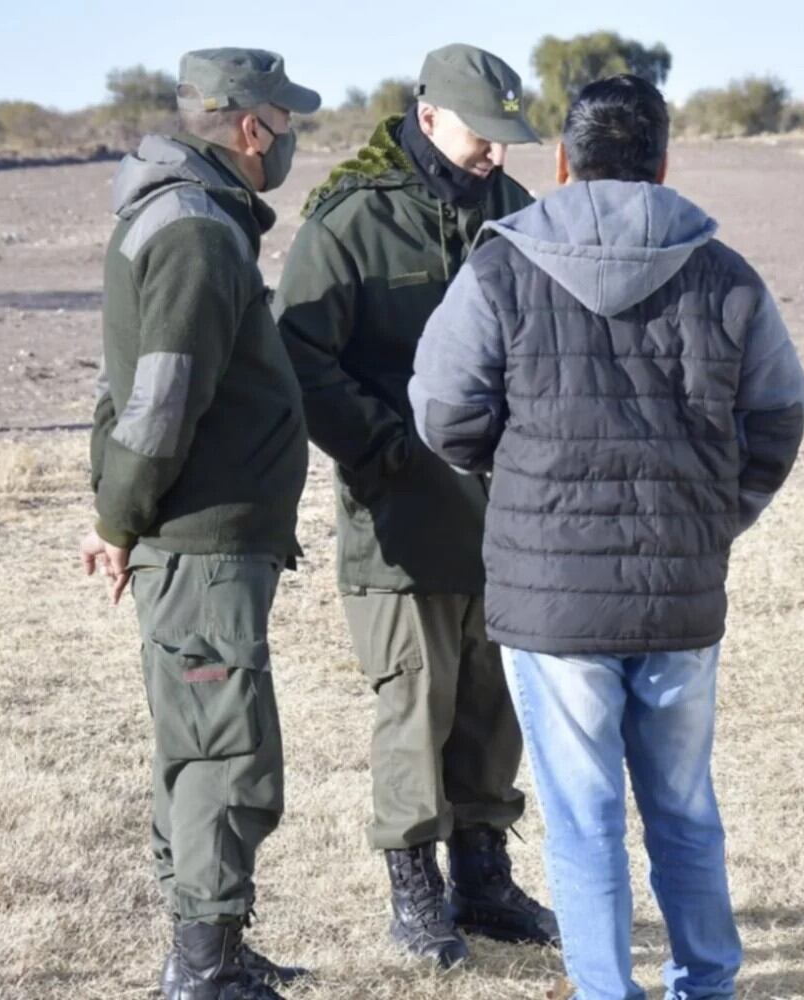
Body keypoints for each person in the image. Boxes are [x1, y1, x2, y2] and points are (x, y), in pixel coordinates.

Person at [409, 74, 804, 1000]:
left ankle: (605, 988)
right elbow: (778, 419)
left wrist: (511, 477)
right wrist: (715, 516)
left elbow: (441, 411)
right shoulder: (726, 274)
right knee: (683, 805)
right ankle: (706, 981)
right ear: (664, 163)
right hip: (680, 591)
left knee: (581, 816)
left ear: (561, 163)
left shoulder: (500, 267)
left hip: (553, 604)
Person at [272, 43, 557, 967]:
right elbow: (302, 360)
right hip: (399, 517)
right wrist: (385, 450)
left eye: (510, 139)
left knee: (493, 701)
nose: (497, 155)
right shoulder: (350, 221)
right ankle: (416, 891)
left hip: (508, 515)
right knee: (416, 705)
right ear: (429, 116)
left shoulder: (517, 215)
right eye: (485, 136)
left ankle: (483, 878)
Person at [81, 47, 319, 1000]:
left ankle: (209, 945)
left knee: (197, 737)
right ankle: (205, 967)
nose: (294, 136)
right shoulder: (196, 232)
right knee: (224, 744)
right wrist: (118, 518)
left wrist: (119, 517)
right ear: (252, 128)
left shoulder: (194, 216)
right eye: (288, 120)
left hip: (199, 536)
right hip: (203, 539)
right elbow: (160, 403)